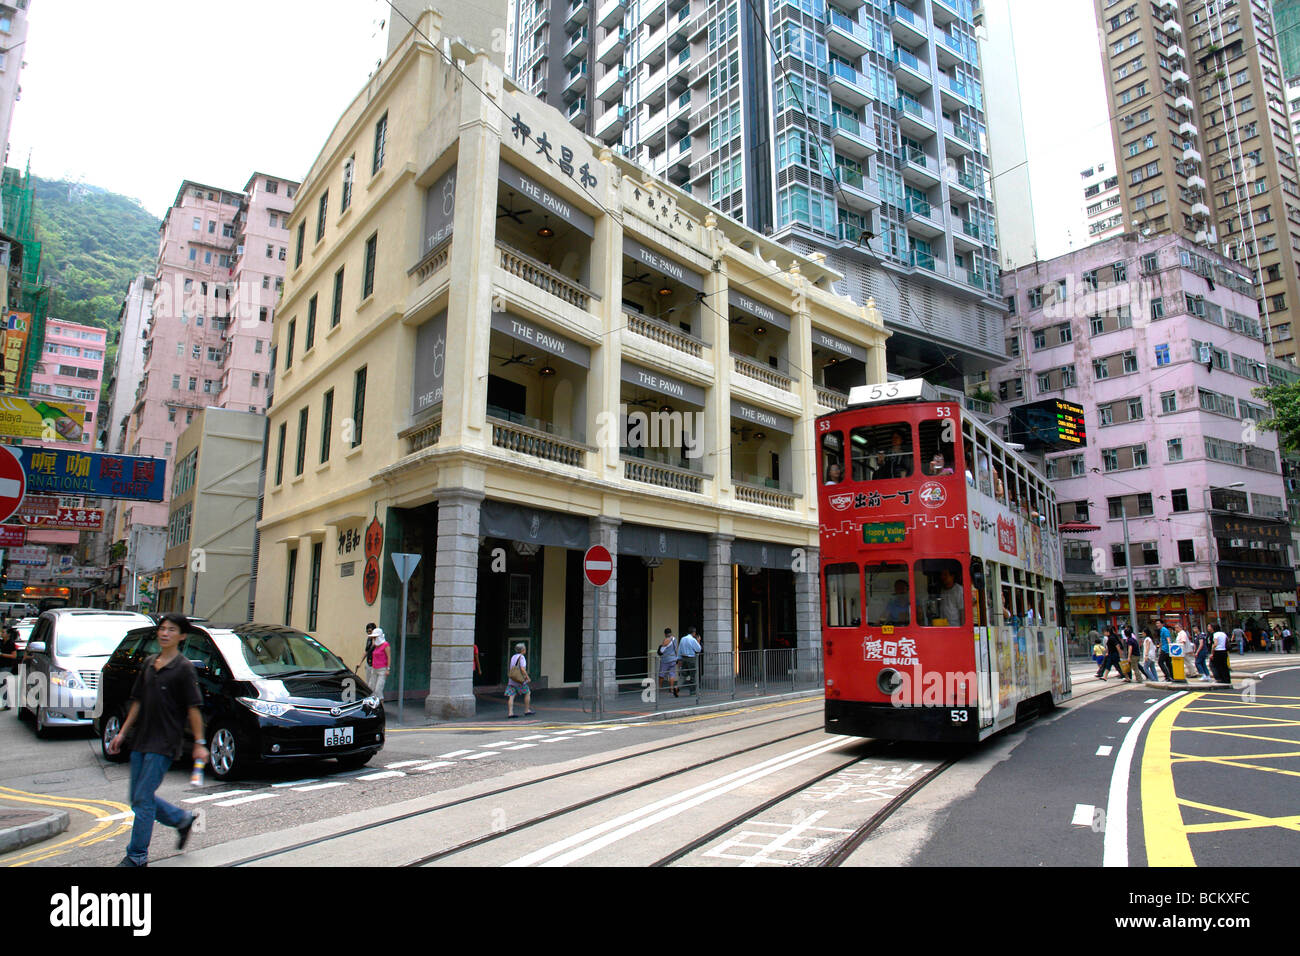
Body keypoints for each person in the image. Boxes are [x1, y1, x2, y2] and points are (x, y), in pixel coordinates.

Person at [107, 613, 209, 867]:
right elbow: (138, 701)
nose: (164, 633)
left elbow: (193, 708)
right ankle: (182, 820)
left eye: (171, 630)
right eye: (162, 629)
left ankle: (137, 856)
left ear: (182, 636)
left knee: (142, 799)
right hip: (141, 739)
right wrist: (121, 733)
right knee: (138, 797)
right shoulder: (150, 663)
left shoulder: (184, 668)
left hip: (164, 742)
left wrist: (199, 743)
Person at [506, 642, 534, 717]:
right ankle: (527, 710)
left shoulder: (513, 657)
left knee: (511, 696)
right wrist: (527, 677)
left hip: (512, 679)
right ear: (523, 650)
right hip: (519, 680)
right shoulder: (522, 657)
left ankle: (510, 713)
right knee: (527, 692)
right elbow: (522, 669)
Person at [657, 628, 680, 698]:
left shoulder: (666, 640)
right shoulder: (674, 639)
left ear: (665, 634)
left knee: (662, 673)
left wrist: (660, 647)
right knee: (672, 674)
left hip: (665, 659)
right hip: (673, 659)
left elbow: (661, 651)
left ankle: (659, 687)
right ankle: (671, 688)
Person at [678, 626, 702, 693]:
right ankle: (693, 691)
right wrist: (698, 641)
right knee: (693, 675)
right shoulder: (692, 640)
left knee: (683, 675)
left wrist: (679, 659)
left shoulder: (682, 639)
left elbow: (679, 649)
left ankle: (677, 688)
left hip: (683, 658)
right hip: (691, 658)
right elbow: (698, 649)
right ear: (693, 633)